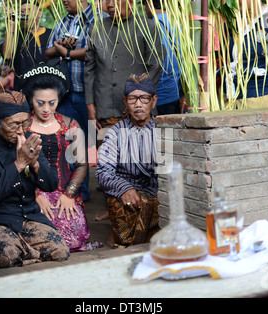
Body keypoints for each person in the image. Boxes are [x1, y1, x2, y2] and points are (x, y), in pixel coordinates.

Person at [22, 60, 103, 251]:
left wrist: (69, 194)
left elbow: (82, 166)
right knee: (45, 236)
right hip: (31, 192)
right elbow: (18, 165)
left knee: (73, 237)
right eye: (40, 103)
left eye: (52, 103)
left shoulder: (70, 124)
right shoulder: (22, 126)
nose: (46, 109)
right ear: (30, 100)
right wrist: (34, 195)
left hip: (65, 190)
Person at [0, 90, 69, 268]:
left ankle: (26, 253)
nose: (21, 130)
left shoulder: (29, 138)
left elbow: (52, 184)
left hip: (28, 215)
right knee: (8, 256)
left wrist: (35, 163)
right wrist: (20, 164)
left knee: (61, 250)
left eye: (25, 123)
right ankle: (30, 253)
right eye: (14, 125)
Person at [96, 73, 160, 248]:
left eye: (144, 99)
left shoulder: (163, 129)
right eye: (133, 99)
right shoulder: (114, 132)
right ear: (125, 101)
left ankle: (137, 234)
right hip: (127, 194)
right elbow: (102, 172)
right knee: (120, 205)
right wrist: (125, 189)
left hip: (156, 193)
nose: (138, 104)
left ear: (153, 101)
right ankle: (135, 235)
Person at [84, 0, 165, 131]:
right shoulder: (96, 28)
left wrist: (139, 100)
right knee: (105, 150)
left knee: (138, 150)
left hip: (139, 111)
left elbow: (155, 66)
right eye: (107, 1)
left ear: (131, 2)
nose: (109, 5)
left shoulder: (147, 26)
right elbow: (89, 69)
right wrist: (90, 104)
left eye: (114, 1)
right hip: (105, 109)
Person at [45, 0, 97, 202]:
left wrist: (68, 52)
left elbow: (97, 52)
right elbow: (48, 51)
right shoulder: (61, 22)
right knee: (72, 144)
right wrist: (59, 47)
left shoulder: (98, 20)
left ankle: (100, 193)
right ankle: (78, 192)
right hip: (65, 93)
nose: (64, 1)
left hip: (90, 95)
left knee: (94, 143)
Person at [143, 0, 184, 115]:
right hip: (176, 92)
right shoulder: (176, 23)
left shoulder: (153, 26)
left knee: (163, 131)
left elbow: (161, 63)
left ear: (149, 4)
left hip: (161, 95)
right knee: (171, 131)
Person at [1, 0, 51, 91]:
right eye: (23, 12)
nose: (26, 14)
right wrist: (10, 25)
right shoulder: (14, 36)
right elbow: (7, 56)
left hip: (50, 88)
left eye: (30, 10)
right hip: (24, 90)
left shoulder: (52, 34)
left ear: (39, 13)